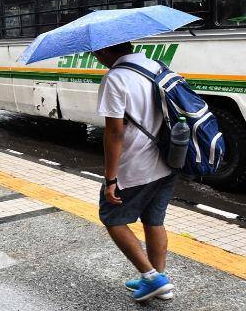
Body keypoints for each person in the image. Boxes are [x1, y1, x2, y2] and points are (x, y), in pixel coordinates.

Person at [92, 41, 177, 303]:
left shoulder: (115, 78)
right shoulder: (156, 66)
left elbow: (114, 132)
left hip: (136, 164)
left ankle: (152, 278)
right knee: (154, 220)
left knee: (112, 217)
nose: (96, 58)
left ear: (106, 51)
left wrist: (110, 179)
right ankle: (157, 280)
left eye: (95, 53)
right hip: (168, 160)